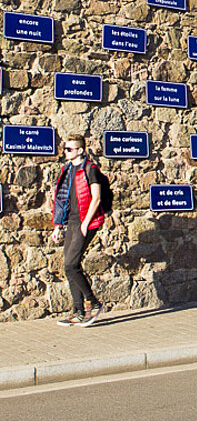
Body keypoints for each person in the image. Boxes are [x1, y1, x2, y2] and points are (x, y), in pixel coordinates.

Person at [51, 134, 104, 326]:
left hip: (87, 221)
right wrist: (58, 226)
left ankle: (94, 303)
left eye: (69, 149)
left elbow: (96, 198)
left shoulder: (91, 169)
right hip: (72, 221)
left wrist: (85, 223)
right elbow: (61, 199)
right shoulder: (67, 170)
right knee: (68, 265)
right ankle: (78, 311)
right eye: (65, 149)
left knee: (71, 264)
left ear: (80, 150)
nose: (66, 152)